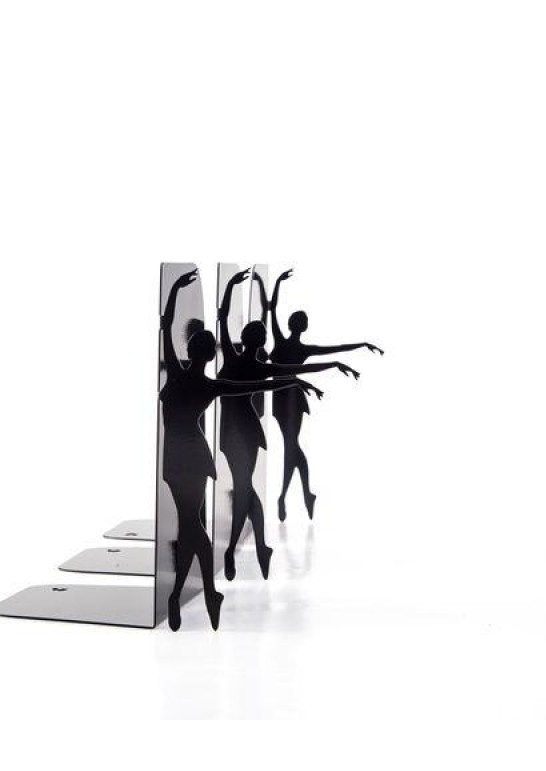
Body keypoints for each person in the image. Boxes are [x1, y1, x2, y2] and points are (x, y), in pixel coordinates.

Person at [160, 269, 317, 631]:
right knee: (192, 525)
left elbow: (166, 326)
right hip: (190, 457)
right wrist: (296, 379)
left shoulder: (185, 376)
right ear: (209, 353)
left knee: (192, 525)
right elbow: (266, 381)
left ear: (191, 350)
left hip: (184, 457)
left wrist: (176, 291)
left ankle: (203, 590)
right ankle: (208, 590)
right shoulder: (210, 384)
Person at [217, 269, 358, 580]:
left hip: (237, 431)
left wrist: (230, 287)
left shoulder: (235, 356)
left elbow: (223, 317)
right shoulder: (258, 365)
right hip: (240, 431)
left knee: (245, 486)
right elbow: (291, 374)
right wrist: (330, 366)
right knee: (246, 486)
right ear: (261, 342)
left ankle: (235, 550)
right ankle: (261, 544)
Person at [269, 268, 383, 521]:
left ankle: (287, 496)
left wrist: (278, 283)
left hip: (287, 398)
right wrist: (362, 345)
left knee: (291, 446)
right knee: (292, 446)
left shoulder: (284, 342)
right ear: (302, 326)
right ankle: (302, 495)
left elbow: (271, 309)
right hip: (287, 397)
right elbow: (337, 348)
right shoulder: (297, 347)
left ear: (292, 325)